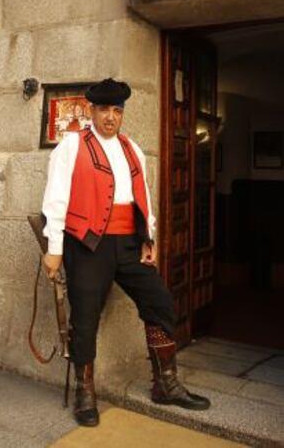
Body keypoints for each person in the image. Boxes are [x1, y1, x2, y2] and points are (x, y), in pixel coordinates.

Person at [42, 78, 210, 427]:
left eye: (117, 111)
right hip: (88, 243)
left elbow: (141, 195)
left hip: (129, 243)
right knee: (85, 315)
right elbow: (55, 199)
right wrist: (54, 249)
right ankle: (85, 393)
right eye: (104, 110)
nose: (110, 117)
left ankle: (165, 384)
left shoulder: (132, 147)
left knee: (160, 301)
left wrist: (148, 238)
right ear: (91, 111)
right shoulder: (71, 146)